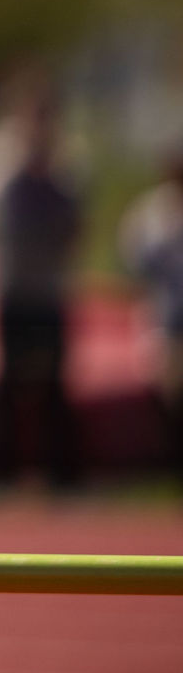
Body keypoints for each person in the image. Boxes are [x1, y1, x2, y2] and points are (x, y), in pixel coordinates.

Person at [0, 71, 82, 488]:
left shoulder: (68, 161)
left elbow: (74, 225)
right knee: (6, 379)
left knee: (54, 380)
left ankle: (62, 472)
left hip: (50, 287)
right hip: (12, 286)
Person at [119, 144, 183, 478]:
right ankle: (171, 461)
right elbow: (134, 262)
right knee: (168, 389)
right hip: (167, 321)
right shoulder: (152, 213)